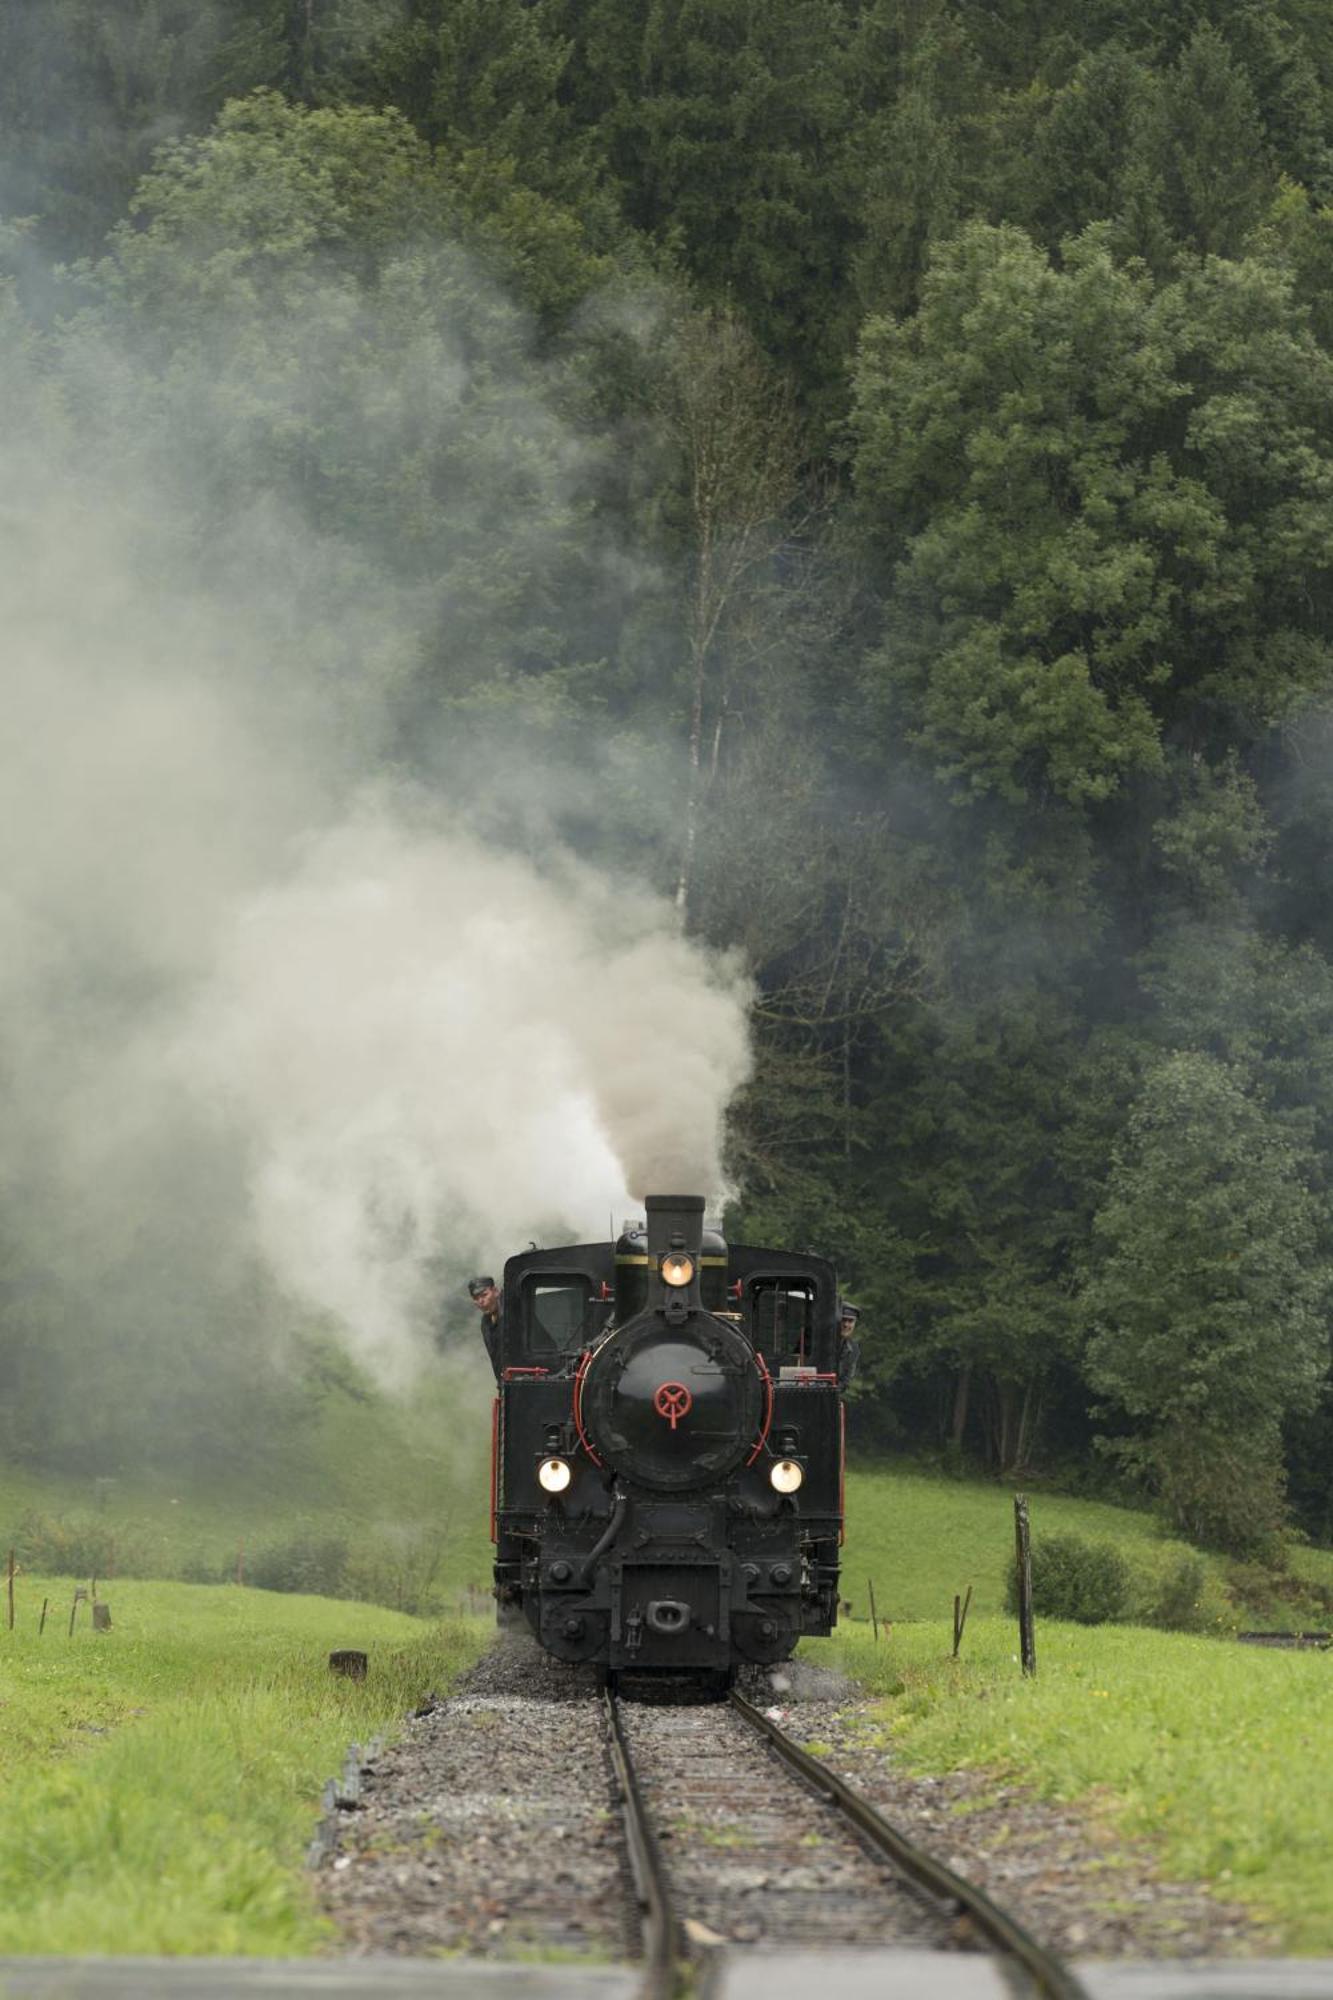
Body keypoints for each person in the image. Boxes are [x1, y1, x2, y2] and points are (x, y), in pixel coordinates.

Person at [469, 1275, 504, 1379]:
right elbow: (496, 1358)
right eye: (476, 1298)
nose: (481, 1302)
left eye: (484, 1295)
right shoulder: (486, 1323)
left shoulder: (512, 1309)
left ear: (496, 1291)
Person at [837, 1300, 861, 1391]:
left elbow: (846, 1380)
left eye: (850, 1321)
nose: (846, 1325)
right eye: (843, 1320)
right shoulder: (820, 1341)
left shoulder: (854, 1349)